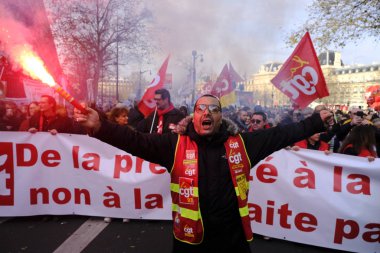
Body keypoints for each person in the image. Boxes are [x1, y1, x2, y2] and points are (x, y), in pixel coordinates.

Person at [74, 94, 332, 253]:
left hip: (232, 240)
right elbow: (135, 140)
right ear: (193, 117)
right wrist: (100, 127)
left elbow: (280, 135)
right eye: (201, 109)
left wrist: (316, 121)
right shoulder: (174, 145)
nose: (207, 112)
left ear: (221, 117)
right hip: (190, 240)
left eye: (214, 109)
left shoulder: (242, 144)